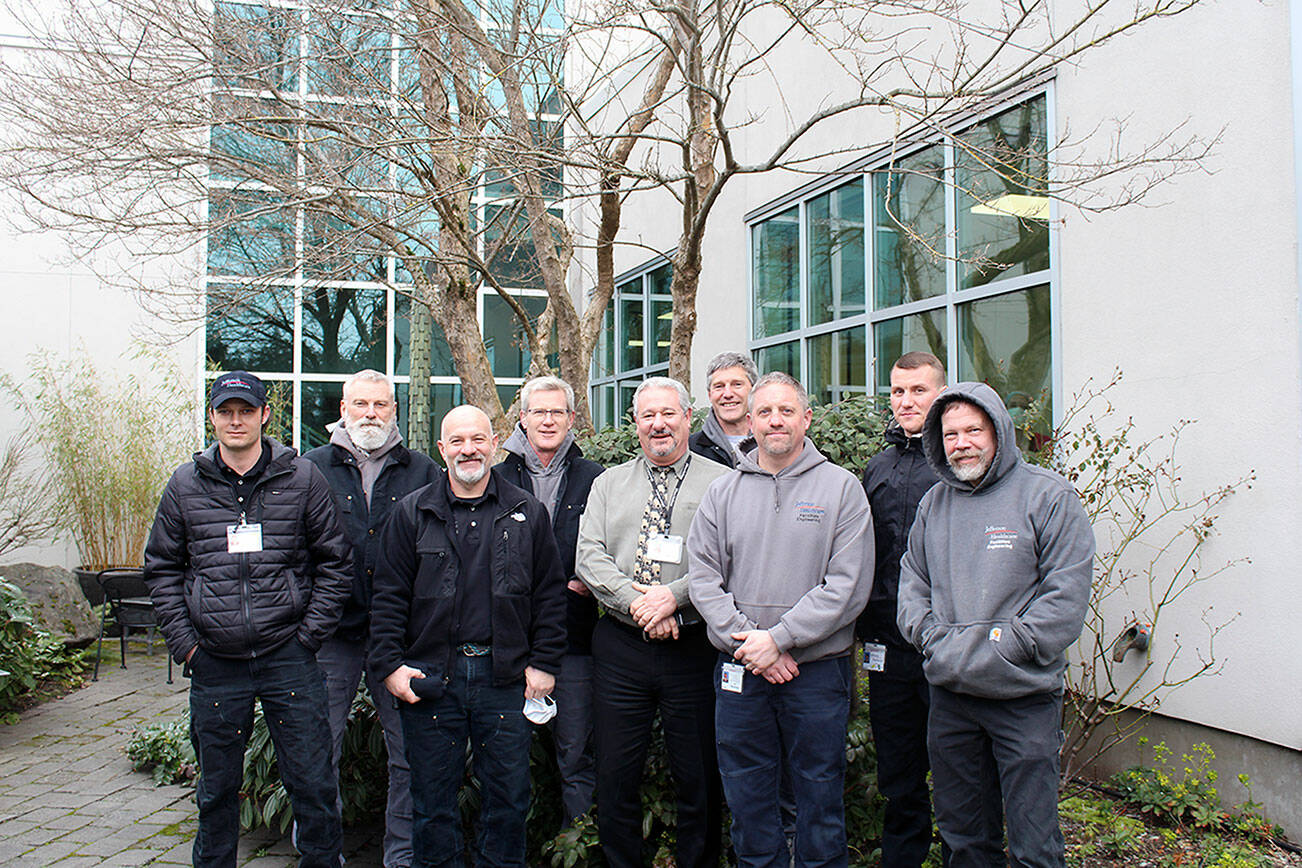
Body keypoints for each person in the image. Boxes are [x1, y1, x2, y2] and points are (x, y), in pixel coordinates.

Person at [144, 370, 351, 868]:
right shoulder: (185, 484)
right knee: (215, 791)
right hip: (216, 661)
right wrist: (187, 647)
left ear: (264, 414)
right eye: (225, 411)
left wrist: (307, 638)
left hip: (289, 657)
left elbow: (335, 563)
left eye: (245, 410)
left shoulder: (301, 477)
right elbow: (161, 569)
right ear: (212, 417)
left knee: (313, 783)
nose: (235, 420)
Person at [897, 383, 1095, 868]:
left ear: (999, 432)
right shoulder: (933, 506)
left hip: (1022, 698)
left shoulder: (1049, 497)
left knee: (1034, 845)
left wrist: (1008, 648)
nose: (960, 442)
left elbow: (1064, 598)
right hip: (951, 699)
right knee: (964, 840)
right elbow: (912, 582)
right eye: (949, 434)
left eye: (973, 430)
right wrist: (929, 637)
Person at [688, 372, 874, 868]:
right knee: (747, 796)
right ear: (749, 421)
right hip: (740, 670)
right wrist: (753, 645)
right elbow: (703, 577)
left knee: (819, 796)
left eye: (786, 411)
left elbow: (846, 586)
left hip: (816, 674)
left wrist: (781, 639)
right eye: (765, 412)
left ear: (807, 418)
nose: (775, 421)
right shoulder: (723, 493)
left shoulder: (842, 490)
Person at [368, 405, 566, 868]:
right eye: (457, 441)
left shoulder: (526, 511)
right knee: (433, 804)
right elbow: (388, 597)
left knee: (509, 801)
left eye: (477, 439)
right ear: (441, 449)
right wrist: (390, 669)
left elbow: (551, 596)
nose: (468, 449)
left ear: (494, 444)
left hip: (506, 677)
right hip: (433, 675)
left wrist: (545, 665)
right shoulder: (412, 513)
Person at [576, 376, 730, 868]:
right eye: (648, 416)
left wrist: (673, 599)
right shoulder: (608, 483)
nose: (658, 424)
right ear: (635, 424)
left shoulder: (722, 482)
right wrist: (637, 604)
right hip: (621, 648)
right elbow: (589, 557)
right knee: (616, 773)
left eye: (668, 414)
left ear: (688, 418)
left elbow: (729, 559)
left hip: (694, 646)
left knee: (700, 775)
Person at [303, 369, 439, 868]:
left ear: (395, 411)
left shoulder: (423, 471)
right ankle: (320, 855)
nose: (370, 414)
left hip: (400, 639)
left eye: (380, 405)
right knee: (318, 753)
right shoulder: (311, 469)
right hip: (330, 636)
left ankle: (401, 857)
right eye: (360, 404)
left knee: (409, 754)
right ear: (343, 408)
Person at [494, 375, 606, 823]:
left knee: (576, 757)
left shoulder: (595, 478)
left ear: (572, 419)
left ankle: (576, 844)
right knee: (506, 762)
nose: (547, 420)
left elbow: (611, 547)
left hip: (576, 643)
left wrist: (593, 580)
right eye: (538, 411)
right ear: (522, 418)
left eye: (556, 412)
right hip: (507, 645)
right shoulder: (496, 478)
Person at [857, 351, 949, 868]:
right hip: (886, 649)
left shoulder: (958, 461)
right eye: (898, 391)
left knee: (958, 770)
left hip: (947, 649)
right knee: (899, 771)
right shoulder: (879, 466)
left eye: (918, 390)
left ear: (940, 392)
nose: (907, 401)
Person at [689, 351, 758, 467]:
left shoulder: (772, 442)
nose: (727, 394)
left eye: (737, 384)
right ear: (710, 395)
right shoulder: (690, 449)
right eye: (719, 386)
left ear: (754, 390)